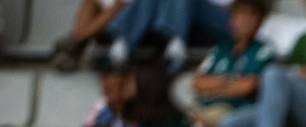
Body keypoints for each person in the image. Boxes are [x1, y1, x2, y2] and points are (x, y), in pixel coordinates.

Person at [59, 0, 231, 72]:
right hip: (161, 26)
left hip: (216, 24)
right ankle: (125, 41)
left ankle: (125, 39)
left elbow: (240, 12)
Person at [189, 0, 275, 127]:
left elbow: (249, 85)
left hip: (237, 110)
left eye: (251, 16)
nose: (244, 22)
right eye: (239, 16)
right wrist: (230, 80)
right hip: (204, 106)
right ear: (231, 19)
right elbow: (198, 82)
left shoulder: (263, 50)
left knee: (211, 121)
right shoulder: (220, 49)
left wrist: (213, 88)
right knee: (180, 87)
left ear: (260, 21)